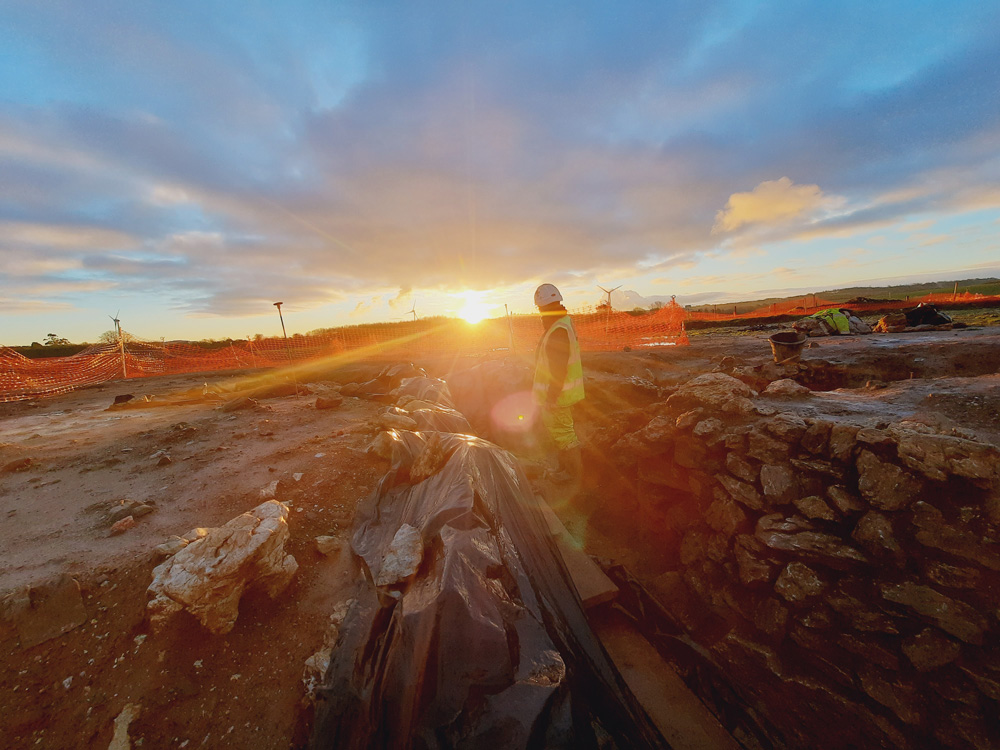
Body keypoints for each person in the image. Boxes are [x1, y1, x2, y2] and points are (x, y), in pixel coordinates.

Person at [533, 283, 584, 487]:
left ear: (541, 307)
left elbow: (558, 368)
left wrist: (551, 398)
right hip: (561, 394)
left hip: (559, 396)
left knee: (565, 436)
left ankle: (573, 476)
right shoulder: (562, 323)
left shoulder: (557, 330)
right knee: (561, 434)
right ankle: (565, 470)